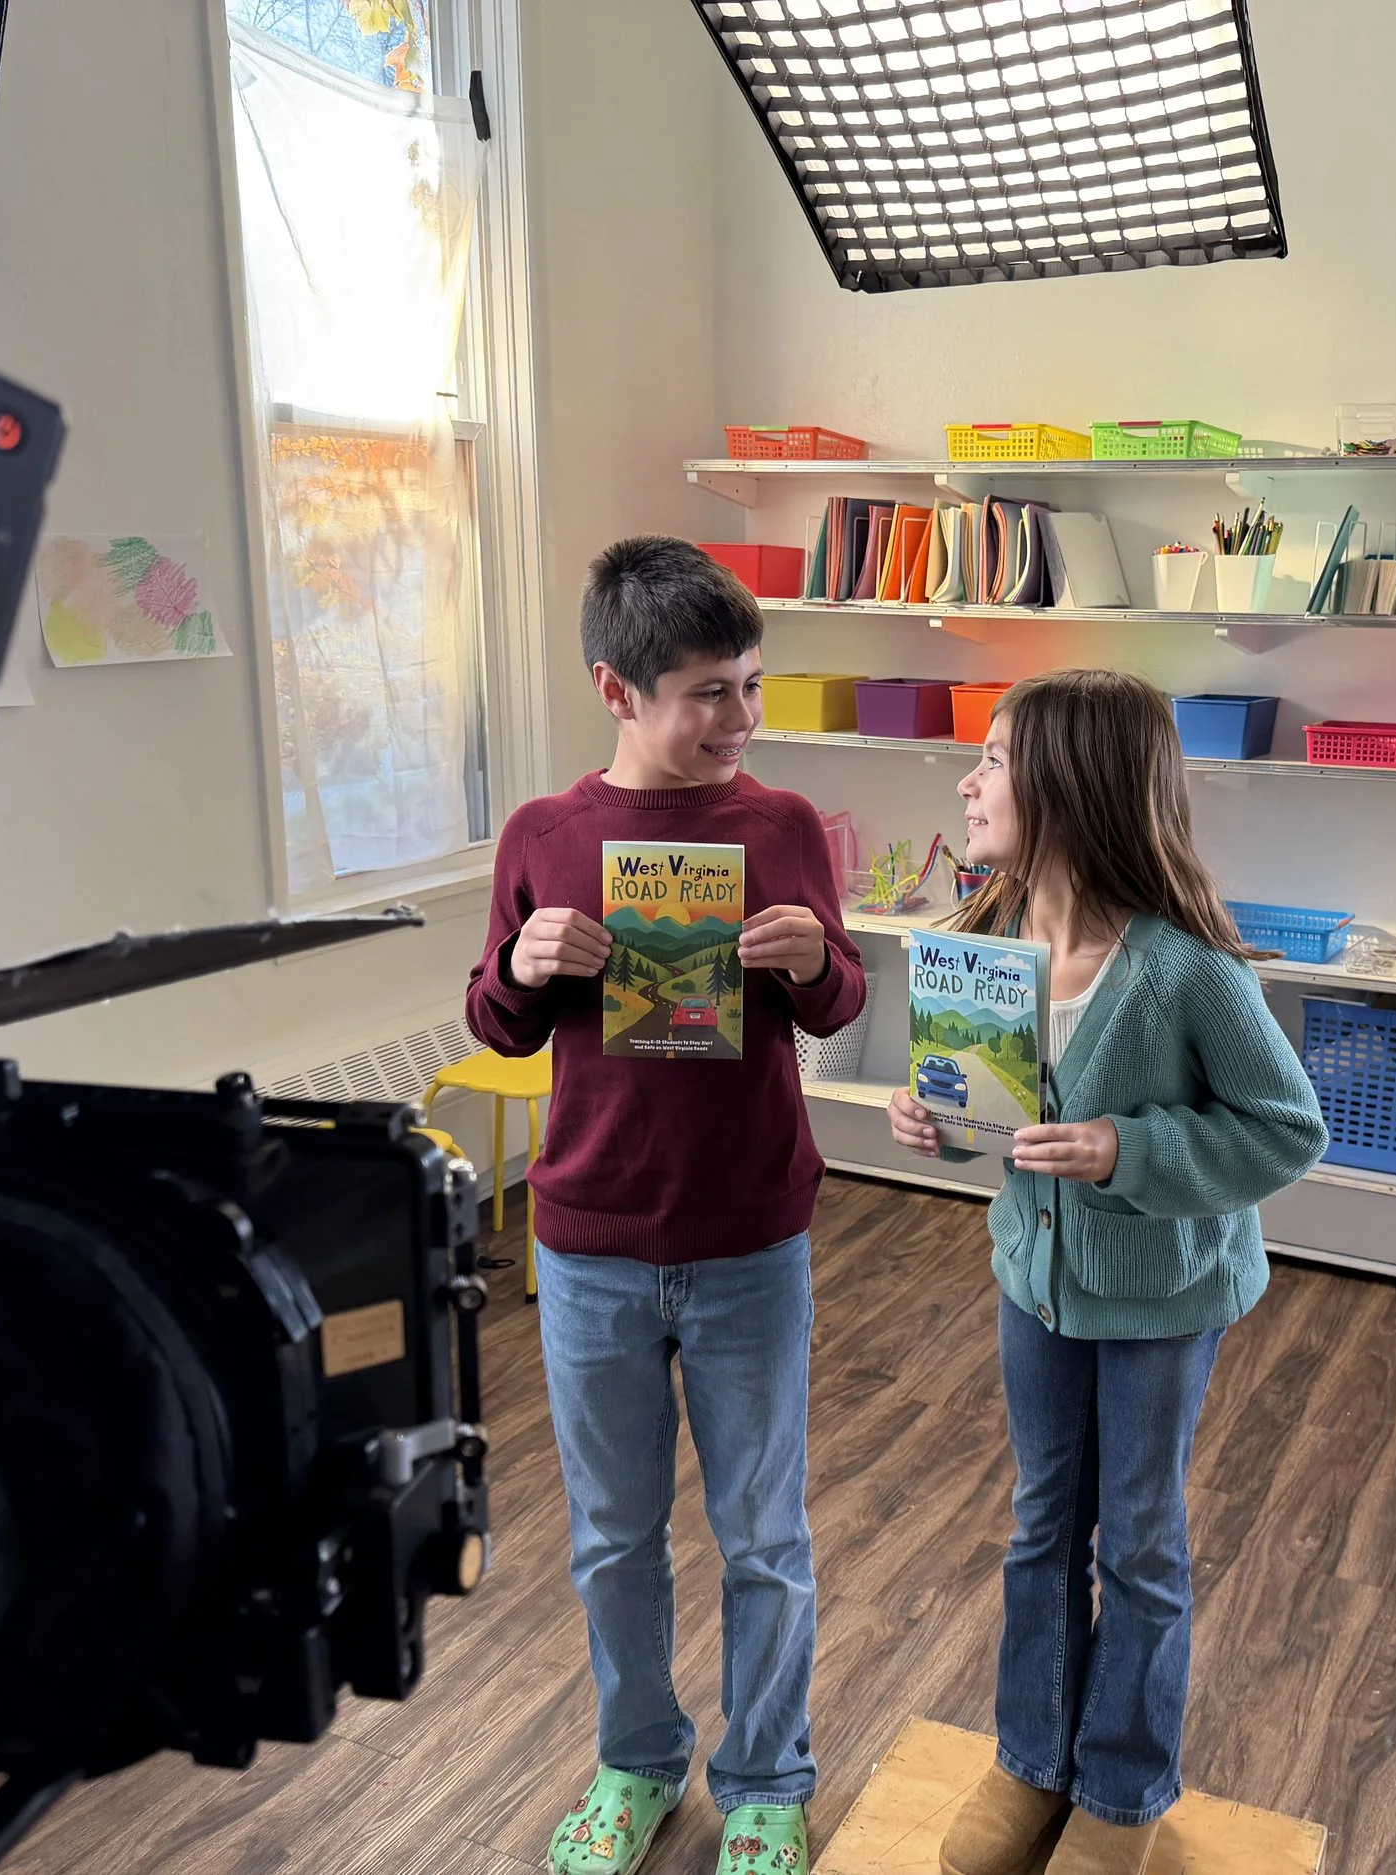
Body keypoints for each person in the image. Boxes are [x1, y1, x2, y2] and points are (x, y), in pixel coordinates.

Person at [468, 537, 864, 1875]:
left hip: (753, 1235)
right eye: (707, 691)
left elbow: (840, 998)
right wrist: (524, 964)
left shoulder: (784, 825)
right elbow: (498, 1022)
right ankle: (636, 1760)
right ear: (616, 688)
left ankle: (766, 1778)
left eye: (751, 685)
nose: (740, 721)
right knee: (612, 1536)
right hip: (590, 1247)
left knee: (767, 1533)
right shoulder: (545, 835)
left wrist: (817, 960)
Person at [888, 670, 1327, 1875]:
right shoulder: (980, 939)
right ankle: (1033, 1764)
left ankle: (1121, 1794)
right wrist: (927, 1116)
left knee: (1135, 1542)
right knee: (1041, 1527)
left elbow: (1287, 1131)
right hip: (1033, 1285)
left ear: (1072, 787)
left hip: (1162, 1300)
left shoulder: (1187, 969)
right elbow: (981, 1105)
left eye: (991, 760)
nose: (967, 783)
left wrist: (1129, 1149)